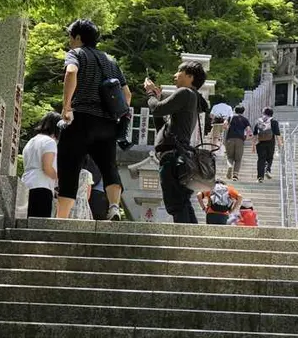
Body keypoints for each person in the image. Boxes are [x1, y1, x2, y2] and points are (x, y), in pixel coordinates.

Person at [56, 19, 130, 221]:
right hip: (107, 123)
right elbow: (127, 95)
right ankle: (114, 207)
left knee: (69, 167)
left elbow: (71, 72)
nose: (70, 41)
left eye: (71, 37)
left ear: (78, 37)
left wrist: (67, 106)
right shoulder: (110, 61)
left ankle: (61, 218)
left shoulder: (76, 54)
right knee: (109, 167)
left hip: (81, 119)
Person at [144, 61, 207, 225]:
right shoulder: (194, 99)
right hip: (182, 157)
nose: (175, 75)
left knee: (176, 203)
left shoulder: (185, 93)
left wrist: (150, 94)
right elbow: (161, 126)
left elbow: (157, 109)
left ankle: (184, 240)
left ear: (190, 76)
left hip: (173, 157)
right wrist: (157, 99)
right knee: (182, 202)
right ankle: (193, 239)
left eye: (179, 71)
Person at [22, 111, 61, 218]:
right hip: (42, 186)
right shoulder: (49, 142)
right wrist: (60, 179)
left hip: (26, 184)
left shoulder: (31, 141)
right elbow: (47, 167)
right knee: (39, 223)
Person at [252, 107, 283, 182]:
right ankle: (267, 170)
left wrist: (253, 146)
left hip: (260, 143)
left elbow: (255, 134)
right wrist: (280, 145)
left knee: (261, 160)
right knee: (269, 158)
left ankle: (260, 177)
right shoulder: (274, 121)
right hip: (270, 142)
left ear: (263, 113)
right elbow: (277, 134)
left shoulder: (258, 121)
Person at [224, 105, 252, 181]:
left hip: (230, 138)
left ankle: (230, 166)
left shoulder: (230, 118)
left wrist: (227, 128)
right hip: (240, 140)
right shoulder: (245, 120)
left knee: (230, 157)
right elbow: (249, 130)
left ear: (235, 111)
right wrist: (248, 137)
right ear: (243, 111)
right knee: (238, 159)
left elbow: (225, 125)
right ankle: (235, 175)